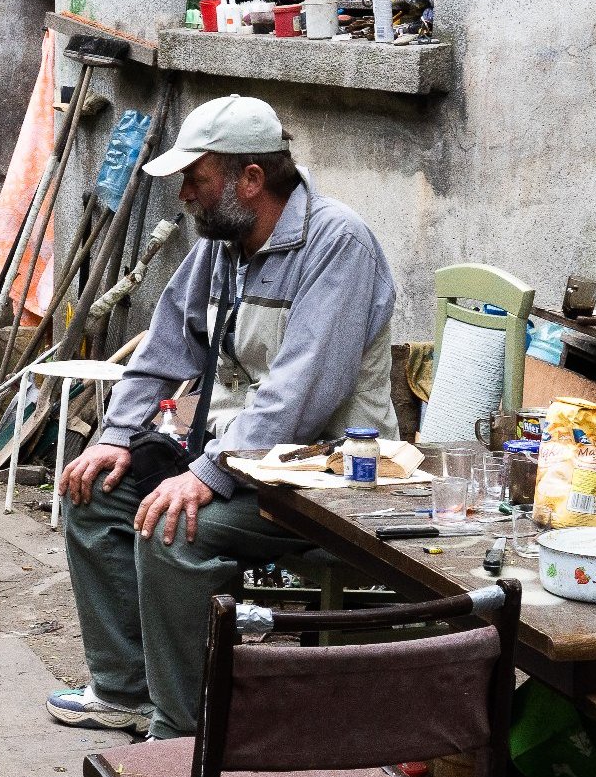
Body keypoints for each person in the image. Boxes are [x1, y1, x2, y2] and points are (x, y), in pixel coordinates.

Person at [44, 94, 398, 739]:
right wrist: (118, 435)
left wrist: (206, 473)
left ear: (251, 179)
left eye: (196, 178)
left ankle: (185, 731)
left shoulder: (338, 242)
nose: (184, 193)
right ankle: (126, 689)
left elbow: (299, 394)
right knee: (95, 492)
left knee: (175, 526)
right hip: (241, 458)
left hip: (327, 474)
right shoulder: (222, 243)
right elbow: (164, 346)